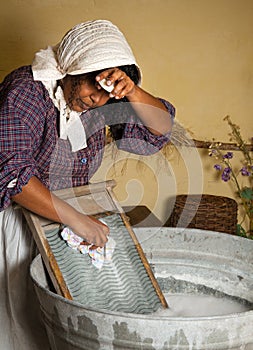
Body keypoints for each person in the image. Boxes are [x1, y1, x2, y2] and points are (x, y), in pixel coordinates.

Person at [0, 20, 175, 349]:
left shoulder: (104, 102)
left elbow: (159, 130)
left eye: (106, 95)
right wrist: (78, 220)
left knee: (61, 320)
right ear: (69, 70)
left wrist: (131, 91)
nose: (96, 100)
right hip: (18, 221)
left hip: (66, 222)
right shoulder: (28, 89)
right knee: (20, 321)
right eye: (90, 87)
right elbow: (12, 175)